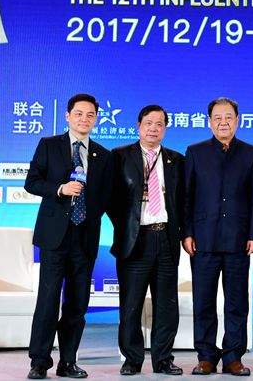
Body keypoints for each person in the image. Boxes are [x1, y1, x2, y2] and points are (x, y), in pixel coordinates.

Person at [24, 94, 113, 380]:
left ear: (96, 119)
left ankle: (68, 361)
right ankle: (39, 362)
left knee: (77, 304)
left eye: (90, 115)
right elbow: (31, 182)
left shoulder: (103, 155)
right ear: (67, 116)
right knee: (48, 300)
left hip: (85, 238)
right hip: (54, 237)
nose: (84, 119)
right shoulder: (49, 145)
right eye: (79, 114)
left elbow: (106, 197)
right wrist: (60, 189)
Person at [183, 97, 253, 376]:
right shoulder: (195, 152)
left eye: (228, 117)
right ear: (209, 122)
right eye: (217, 117)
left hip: (239, 240)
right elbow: (186, 197)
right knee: (203, 301)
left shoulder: (251, 153)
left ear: (237, 120)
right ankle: (206, 356)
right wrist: (187, 233)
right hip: (203, 239)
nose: (223, 122)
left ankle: (233, 357)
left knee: (237, 303)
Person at [111, 105, 184, 376]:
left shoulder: (176, 160)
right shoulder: (120, 156)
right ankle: (132, 359)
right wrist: (126, 225)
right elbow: (110, 198)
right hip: (135, 240)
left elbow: (183, 201)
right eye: (149, 123)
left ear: (165, 128)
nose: (153, 128)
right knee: (131, 305)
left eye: (159, 124)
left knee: (166, 306)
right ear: (139, 126)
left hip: (166, 238)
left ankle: (163, 359)